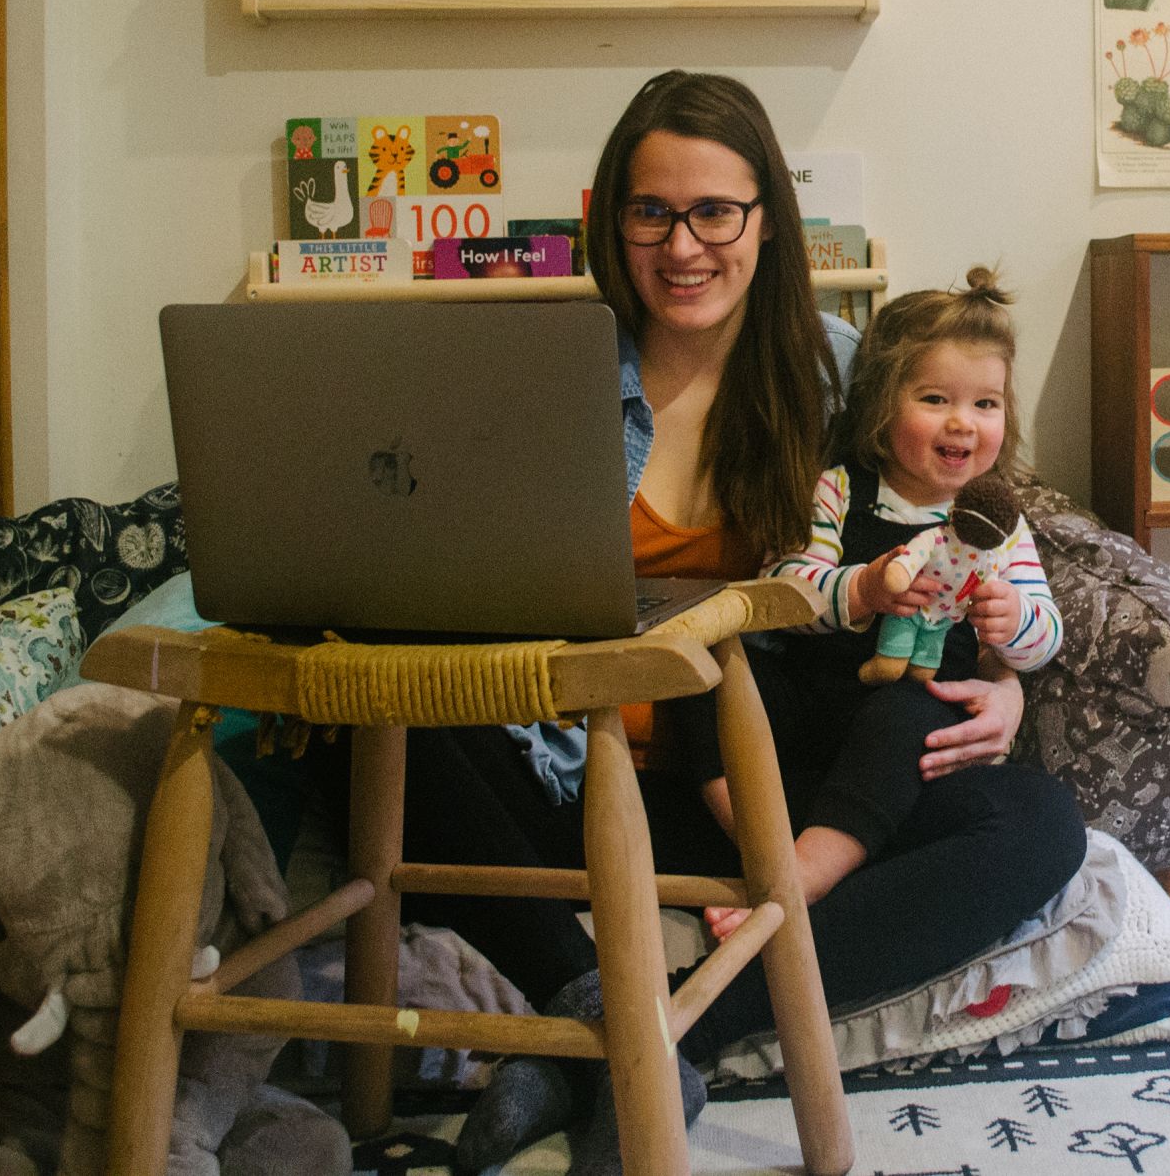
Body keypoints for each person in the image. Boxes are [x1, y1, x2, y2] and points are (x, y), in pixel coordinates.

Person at [405, 73, 1084, 1175]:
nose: (683, 246)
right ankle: (601, 1016)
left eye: (714, 211)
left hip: (756, 767)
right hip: (568, 767)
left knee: (1038, 827)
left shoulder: (838, 371)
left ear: (766, 217)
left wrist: (1010, 679)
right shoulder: (543, 372)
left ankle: (661, 1033)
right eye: (650, 212)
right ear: (609, 221)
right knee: (368, 724)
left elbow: (980, 520)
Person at [697, 269, 1063, 943]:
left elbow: (1046, 633)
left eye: (986, 403)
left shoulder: (999, 521)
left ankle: (798, 880)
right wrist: (863, 587)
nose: (963, 421)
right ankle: (764, 849)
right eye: (935, 398)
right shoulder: (837, 489)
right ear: (880, 407)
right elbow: (784, 583)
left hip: (906, 714)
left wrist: (1015, 622)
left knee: (916, 710)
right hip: (814, 700)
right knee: (708, 668)